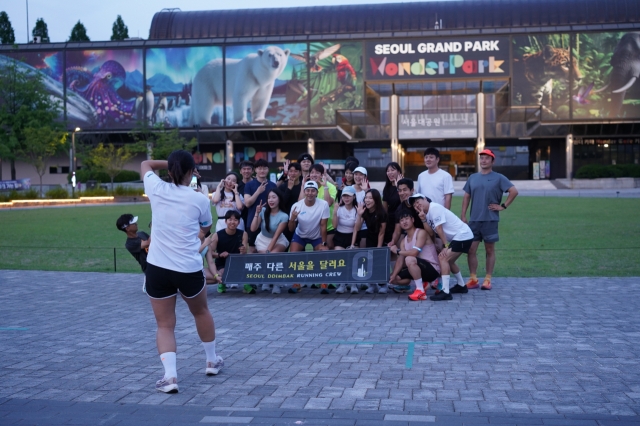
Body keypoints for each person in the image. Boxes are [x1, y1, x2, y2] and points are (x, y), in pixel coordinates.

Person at [141, 151, 222, 394]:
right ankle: (211, 361)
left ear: (169, 171)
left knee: (165, 324)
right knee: (201, 311)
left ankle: (170, 376)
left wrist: (173, 165)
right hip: (188, 268)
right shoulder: (199, 198)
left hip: (157, 268)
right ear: (191, 172)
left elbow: (145, 163)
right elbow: (206, 226)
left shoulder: (156, 188)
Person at [461, 148, 518, 290]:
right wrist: (463, 215)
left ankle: (488, 279)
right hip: (474, 220)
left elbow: (514, 191)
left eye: (487, 158)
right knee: (471, 249)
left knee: (490, 250)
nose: (483, 160)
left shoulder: (499, 177)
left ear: (493, 161)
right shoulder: (473, 177)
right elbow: (467, 196)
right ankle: (473, 278)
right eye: (481, 158)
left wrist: (503, 206)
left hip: (490, 220)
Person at [410, 193, 474, 301]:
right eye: (414, 204)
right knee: (449, 261)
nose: (417, 205)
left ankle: (445, 291)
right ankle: (461, 286)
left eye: (418, 201)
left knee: (443, 257)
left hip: (463, 235)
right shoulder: (427, 213)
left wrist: (445, 245)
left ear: (425, 199)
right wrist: (423, 219)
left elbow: (439, 228)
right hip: (459, 236)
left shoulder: (434, 208)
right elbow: (431, 232)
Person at [288, 180, 330, 294]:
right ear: (304, 192)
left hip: (316, 236)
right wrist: (292, 218)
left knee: (323, 254)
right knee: (293, 256)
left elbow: (323, 225)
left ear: (317, 192)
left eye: (313, 191)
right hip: (300, 235)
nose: (310, 193)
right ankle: (296, 284)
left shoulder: (323, 204)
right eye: (308, 190)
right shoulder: (296, 206)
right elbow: (291, 229)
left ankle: (323, 283)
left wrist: (324, 243)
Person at [388, 210, 441, 300]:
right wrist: (393, 275)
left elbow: (414, 252)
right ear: (399, 224)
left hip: (432, 269)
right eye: (401, 220)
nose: (404, 222)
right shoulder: (403, 241)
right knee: (395, 278)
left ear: (412, 220)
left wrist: (397, 251)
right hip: (417, 267)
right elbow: (400, 260)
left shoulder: (421, 233)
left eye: (406, 219)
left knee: (409, 259)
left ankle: (420, 291)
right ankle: (423, 284)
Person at [250, 189, 290, 294]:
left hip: (278, 240)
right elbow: (253, 228)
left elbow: (276, 236)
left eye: (274, 197)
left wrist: (268, 251)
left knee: (273, 256)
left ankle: (276, 283)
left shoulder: (284, 216)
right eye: (269, 198)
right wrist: (256, 213)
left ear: (279, 199)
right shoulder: (263, 211)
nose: (271, 200)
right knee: (268, 258)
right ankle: (266, 280)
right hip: (262, 240)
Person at [352, 188, 388, 294]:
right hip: (370, 237)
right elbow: (357, 228)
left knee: (379, 261)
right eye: (366, 198)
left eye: (370, 198)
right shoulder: (365, 211)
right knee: (369, 262)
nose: (367, 200)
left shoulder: (382, 213)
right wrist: (359, 214)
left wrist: (379, 248)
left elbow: (382, 232)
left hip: (381, 239)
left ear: (376, 199)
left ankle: (384, 284)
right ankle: (372, 285)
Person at [207, 210, 249, 294]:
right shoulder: (217, 235)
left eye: (235, 220)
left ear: (239, 222)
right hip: (222, 263)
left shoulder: (243, 234)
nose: (232, 222)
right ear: (225, 221)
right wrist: (219, 255)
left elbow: (244, 252)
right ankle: (221, 283)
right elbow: (210, 253)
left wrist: (243, 250)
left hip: (238, 262)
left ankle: (247, 285)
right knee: (223, 272)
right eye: (230, 219)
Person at [299, 164, 337, 248]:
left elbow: (329, 203)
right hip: (312, 227)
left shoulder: (331, 187)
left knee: (328, 247)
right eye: (312, 172)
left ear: (322, 174)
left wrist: (325, 187)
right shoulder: (307, 186)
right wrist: (302, 186)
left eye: (317, 172)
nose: (314, 174)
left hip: (328, 226)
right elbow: (299, 204)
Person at [244, 159, 277, 253]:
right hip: (253, 221)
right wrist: (258, 191)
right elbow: (247, 203)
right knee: (252, 249)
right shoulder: (249, 185)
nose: (262, 171)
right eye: (259, 168)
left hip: (270, 222)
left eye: (264, 168)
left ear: (268, 170)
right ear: (255, 170)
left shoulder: (273, 185)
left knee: (268, 249)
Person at [332, 185, 359, 294]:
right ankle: (342, 284)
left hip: (353, 236)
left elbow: (356, 229)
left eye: (349, 196)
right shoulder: (339, 209)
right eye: (344, 196)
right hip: (340, 236)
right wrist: (334, 212)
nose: (346, 198)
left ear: (354, 197)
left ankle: (353, 284)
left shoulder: (357, 210)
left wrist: (352, 244)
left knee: (353, 256)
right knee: (340, 257)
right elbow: (334, 226)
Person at [382, 162, 403, 244]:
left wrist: (399, 187)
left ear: (399, 172)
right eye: (388, 171)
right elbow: (385, 208)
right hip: (390, 221)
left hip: (403, 218)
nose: (390, 173)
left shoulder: (405, 185)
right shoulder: (387, 188)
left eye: (392, 170)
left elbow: (405, 203)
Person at [352, 166, 370, 247]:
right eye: (356, 174)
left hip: (364, 227)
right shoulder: (348, 189)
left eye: (360, 175)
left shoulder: (368, 191)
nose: (358, 177)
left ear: (365, 177)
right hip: (350, 226)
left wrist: (366, 190)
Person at [236, 160, 254, 232]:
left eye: (249, 169)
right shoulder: (237, 186)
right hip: (240, 218)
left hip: (254, 217)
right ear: (240, 171)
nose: (246, 171)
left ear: (253, 171)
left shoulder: (257, 184)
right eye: (244, 169)